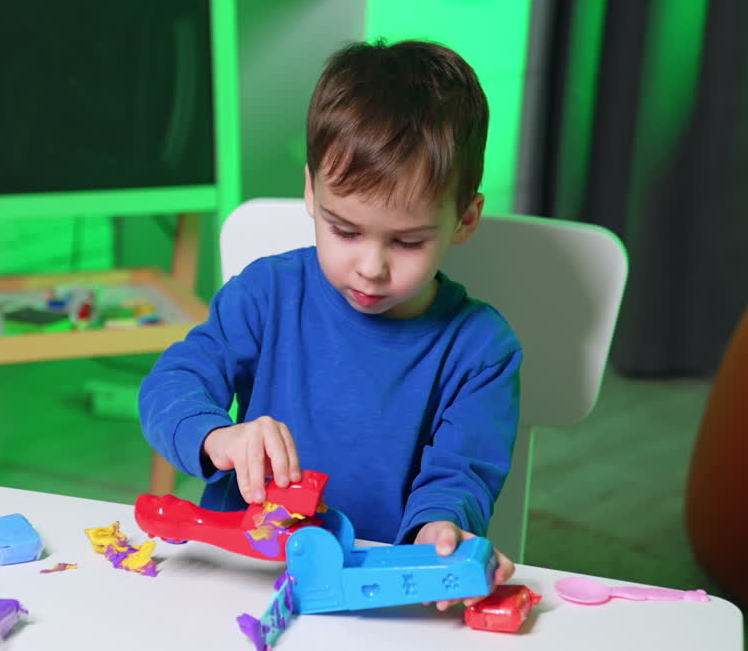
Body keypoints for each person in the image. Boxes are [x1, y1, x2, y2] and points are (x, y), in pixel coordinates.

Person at [138, 39, 521, 607]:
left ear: (464, 219)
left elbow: (459, 476)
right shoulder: (266, 294)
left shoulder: (481, 349)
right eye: (346, 231)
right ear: (312, 194)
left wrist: (440, 533)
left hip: (371, 592)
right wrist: (219, 436)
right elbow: (170, 385)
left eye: (408, 241)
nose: (371, 268)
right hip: (233, 582)